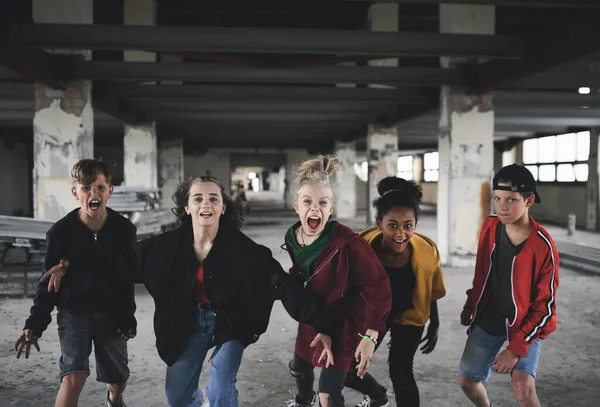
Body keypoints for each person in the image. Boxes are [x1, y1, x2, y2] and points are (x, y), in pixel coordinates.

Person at [41, 174, 334, 407]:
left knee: (221, 385)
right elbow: (113, 262)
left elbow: (283, 285)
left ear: (222, 206)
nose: (205, 203)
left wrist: (321, 323)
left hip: (229, 323)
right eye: (198, 198)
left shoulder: (246, 252)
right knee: (178, 397)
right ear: (188, 207)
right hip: (184, 324)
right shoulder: (163, 248)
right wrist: (70, 264)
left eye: (213, 198)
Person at [15, 159, 137, 407]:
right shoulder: (60, 233)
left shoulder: (124, 230)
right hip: (74, 313)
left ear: (110, 192)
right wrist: (35, 324)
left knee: (116, 378)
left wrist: (127, 317)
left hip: (111, 313)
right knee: (73, 376)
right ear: (75, 192)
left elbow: (126, 277)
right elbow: (45, 285)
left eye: (100, 188)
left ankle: (114, 398)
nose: (94, 194)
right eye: (86, 188)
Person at [284, 155, 392, 407]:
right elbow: (300, 272)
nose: (315, 208)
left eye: (323, 202)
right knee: (298, 368)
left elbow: (379, 285)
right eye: (307, 201)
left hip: (346, 321)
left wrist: (370, 335)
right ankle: (303, 400)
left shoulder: (349, 244)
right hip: (315, 314)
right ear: (296, 206)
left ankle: (379, 397)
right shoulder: (292, 237)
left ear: (331, 209)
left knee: (329, 394)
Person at [458, 164, 560, 407]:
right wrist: (471, 302)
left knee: (522, 388)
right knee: (467, 381)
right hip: (490, 315)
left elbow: (545, 308)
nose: (502, 206)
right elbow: (482, 272)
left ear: (529, 200)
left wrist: (515, 348)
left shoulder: (542, 245)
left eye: (511, 199)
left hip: (526, 321)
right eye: (497, 198)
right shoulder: (490, 227)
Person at [343, 177, 446, 407]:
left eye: (407, 225)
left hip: (410, 315)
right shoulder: (361, 248)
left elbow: (432, 290)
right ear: (379, 223)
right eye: (393, 225)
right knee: (348, 370)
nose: (401, 233)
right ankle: (378, 395)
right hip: (374, 315)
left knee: (401, 372)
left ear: (415, 224)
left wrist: (435, 322)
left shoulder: (427, 252)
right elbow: (347, 289)